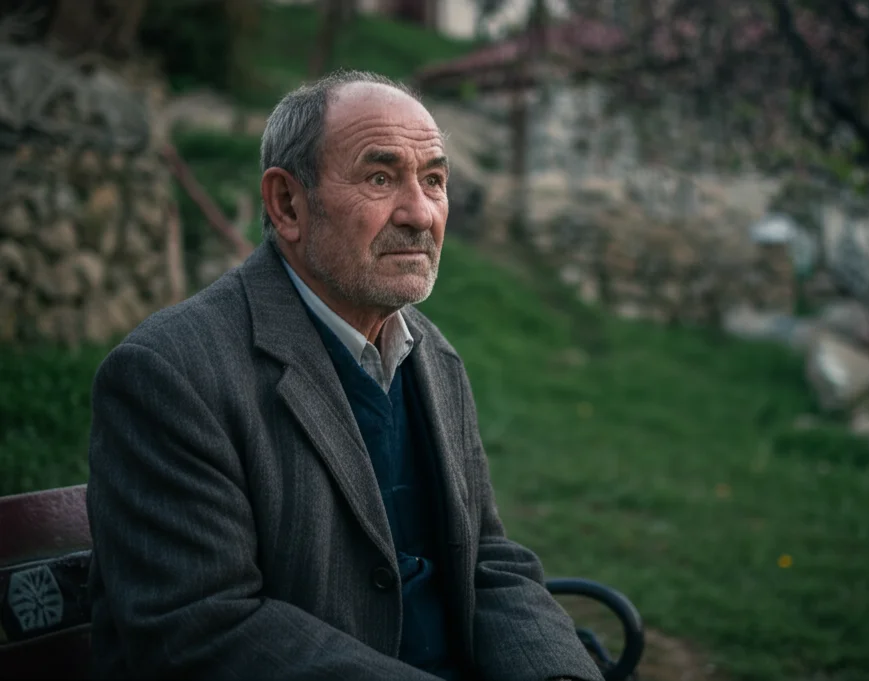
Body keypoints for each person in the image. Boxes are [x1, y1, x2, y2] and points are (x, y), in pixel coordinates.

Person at [85, 70, 603, 681]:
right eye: (380, 178)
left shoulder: (432, 356)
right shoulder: (171, 375)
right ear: (288, 204)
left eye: (434, 180)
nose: (419, 214)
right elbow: (203, 629)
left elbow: (487, 560)